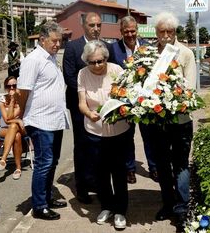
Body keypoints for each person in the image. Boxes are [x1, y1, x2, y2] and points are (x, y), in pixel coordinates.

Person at [139, 12, 196, 232]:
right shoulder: (149, 54)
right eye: (161, 32)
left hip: (180, 119)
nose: (165, 36)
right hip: (155, 121)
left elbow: (189, 88)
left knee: (180, 165)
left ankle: (182, 209)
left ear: (175, 32)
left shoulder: (185, 54)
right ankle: (168, 204)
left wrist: (168, 98)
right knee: (162, 165)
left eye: (169, 32)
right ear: (156, 32)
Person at [17, 21, 69, 220]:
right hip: (40, 120)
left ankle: (46, 198)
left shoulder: (52, 57)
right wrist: (20, 116)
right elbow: (24, 90)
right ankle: (39, 205)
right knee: (44, 163)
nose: (57, 44)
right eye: (54, 41)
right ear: (42, 39)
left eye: (60, 41)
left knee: (52, 162)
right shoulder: (34, 59)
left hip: (54, 119)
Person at [78, 41, 129, 230]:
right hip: (94, 130)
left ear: (106, 58)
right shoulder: (82, 74)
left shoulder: (117, 70)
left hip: (118, 130)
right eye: (92, 62)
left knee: (118, 171)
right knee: (100, 172)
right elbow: (82, 102)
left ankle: (121, 211)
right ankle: (106, 206)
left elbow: (128, 97)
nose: (97, 65)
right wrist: (89, 114)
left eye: (101, 61)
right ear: (87, 61)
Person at [62, 12, 113, 204]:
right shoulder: (73, 47)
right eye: (92, 25)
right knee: (83, 146)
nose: (96, 28)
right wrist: (88, 96)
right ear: (83, 25)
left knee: (100, 146)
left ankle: (98, 183)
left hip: (102, 107)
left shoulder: (105, 47)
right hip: (79, 106)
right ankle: (82, 187)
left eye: (99, 25)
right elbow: (69, 77)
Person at [111, 15, 157, 184]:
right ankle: (129, 169)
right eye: (126, 31)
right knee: (126, 137)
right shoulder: (113, 49)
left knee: (150, 136)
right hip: (125, 101)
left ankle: (154, 167)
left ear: (137, 30)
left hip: (145, 101)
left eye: (133, 31)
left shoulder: (147, 47)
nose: (130, 34)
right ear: (121, 31)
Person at [0, 76, 26, 180]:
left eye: (14, 85)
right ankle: (18, 168)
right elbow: (6, 120)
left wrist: (13, 100)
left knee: (14, 126)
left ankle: (3, 158)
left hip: (22, 128)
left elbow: (10, 117)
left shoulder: (21, 98)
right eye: (9, 86)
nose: (12, 88)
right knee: (16, 135)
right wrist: (17, 120)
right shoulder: (2, 100)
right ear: (5, 88)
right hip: (5, 129)